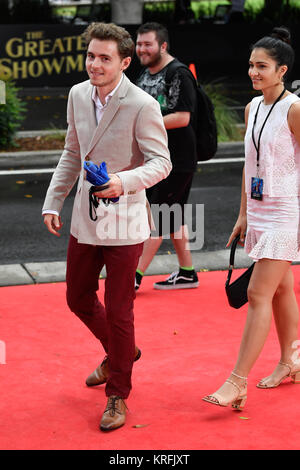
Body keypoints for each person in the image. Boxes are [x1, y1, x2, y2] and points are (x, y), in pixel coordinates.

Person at [42, 22, 171, 432]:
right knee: (77, 297)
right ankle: (122, 352)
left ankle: (118, 393)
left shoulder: (141, 103)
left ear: (125, 62)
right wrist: (52, 199)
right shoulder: (78, 94)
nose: (94, 65)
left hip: (125, 220)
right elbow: (72, 150)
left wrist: (123, 182)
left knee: (119, 310)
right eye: (91, 56)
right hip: (85, 215)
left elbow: (161, 163)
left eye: (104, 58)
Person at [203, 26, 300, 410]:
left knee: (258, 293)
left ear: (282, 70)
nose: (253, 72)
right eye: (251, 65)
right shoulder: (252, 107)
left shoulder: (294, 109)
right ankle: (291, 360)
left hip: (286, 211)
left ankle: (236, 381)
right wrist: (243, 213)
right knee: (280, 289)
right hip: (259, 212)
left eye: (262, 66)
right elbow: (250, 164)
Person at [134, 22, 199, 291]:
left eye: (147, 44)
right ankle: (187, 272)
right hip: (155, 159)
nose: (141, 49)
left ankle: (133, 276)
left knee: (159, 219)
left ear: (163, 46)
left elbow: (182, 117)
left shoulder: (178, 74)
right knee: (172, 216)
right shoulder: (145, 73)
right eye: (139, 44)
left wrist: (144, 124)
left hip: (177, 160)